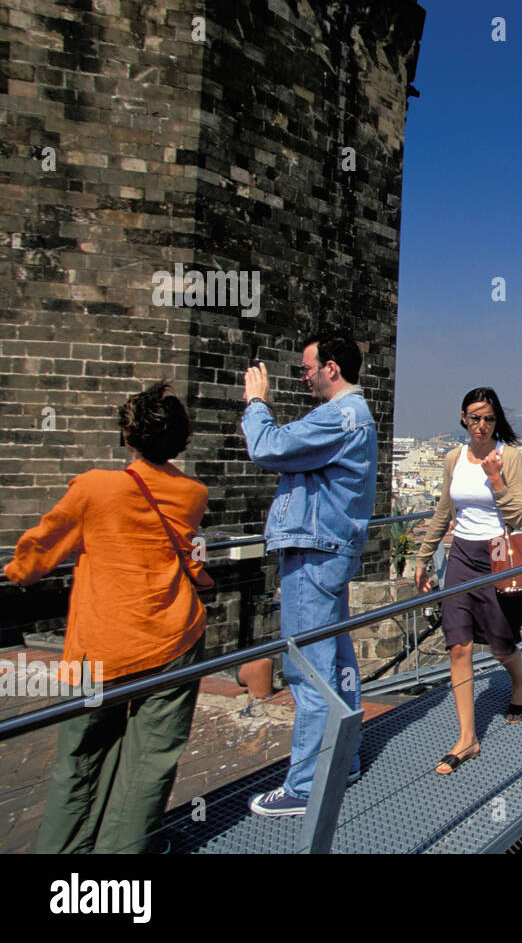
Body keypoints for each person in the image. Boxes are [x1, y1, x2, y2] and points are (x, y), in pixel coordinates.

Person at [5, 383, 209, 853]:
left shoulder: (95, 487)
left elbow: (39, 552)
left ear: (128, 437)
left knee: (81, 759)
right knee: (150, 761)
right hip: (174, 638)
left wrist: (17, 571)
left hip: (103, 645)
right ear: (179, 441)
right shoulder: (192, 493)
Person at [242, 328, 378, 817]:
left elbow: (267, 447)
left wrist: (256, 403)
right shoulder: (355, 416)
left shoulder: (340, 417)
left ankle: (305, 784)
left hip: (314, 551)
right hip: (332, 551)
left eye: (306, 368)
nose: (303, 377)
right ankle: (343, 761)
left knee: (308, 671)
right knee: (337, 663)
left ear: (331, 369)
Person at [412, 388, 522, 774]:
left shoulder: (508, 457)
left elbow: (517, 519)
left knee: (499, 644)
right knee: (458, 646)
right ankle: (467, 739)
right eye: (475, 417)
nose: (481, 425)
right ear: (463, 418)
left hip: (497, 556)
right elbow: (445, 510)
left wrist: (495, 478)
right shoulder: (453, 458)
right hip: (461, 556)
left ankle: (518, 683)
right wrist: (423, 556)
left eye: (489, 419)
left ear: (497, 422)